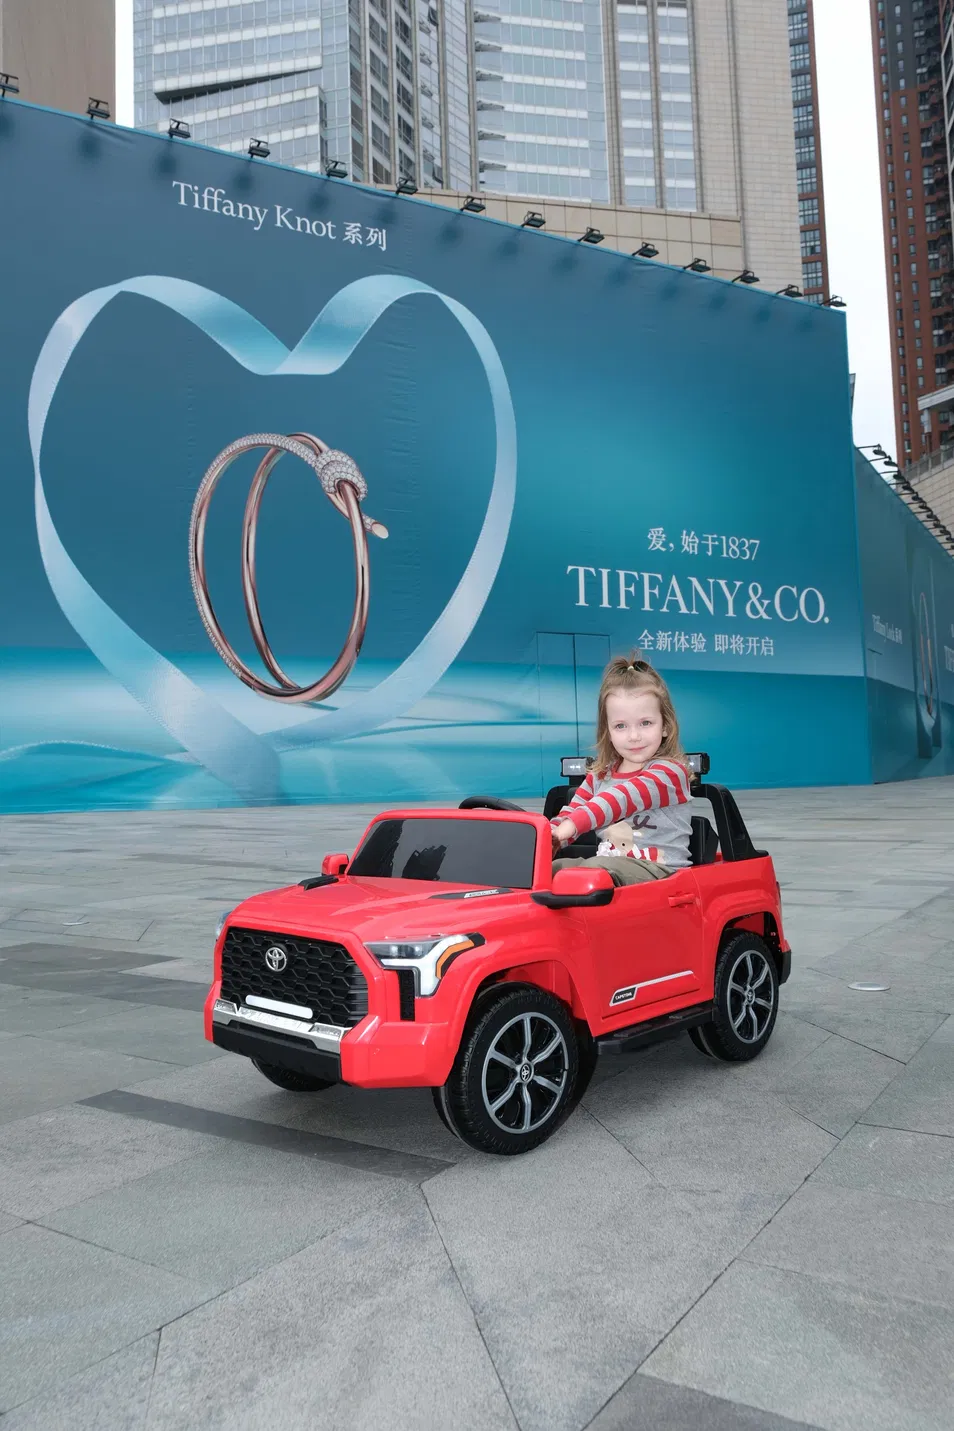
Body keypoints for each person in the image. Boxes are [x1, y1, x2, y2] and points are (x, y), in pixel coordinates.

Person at [550, 653, 692, 885]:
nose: (634, 736)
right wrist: (551, 836)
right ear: (608, 731)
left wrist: (572, 825)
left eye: (645, 723)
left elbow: (619, 799)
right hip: (610, 868)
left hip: (661, 872)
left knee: (591, 872)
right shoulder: (600, 775)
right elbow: (572, 810)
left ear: (665, 725)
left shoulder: (669, 773)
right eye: (621, 726)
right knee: (553, 870)